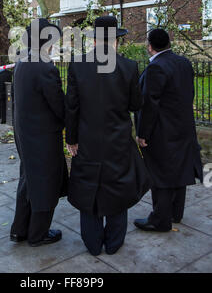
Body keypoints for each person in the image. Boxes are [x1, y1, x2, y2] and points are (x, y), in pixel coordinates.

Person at [66, 15, 151, 256]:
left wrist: (70, 138)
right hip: (118, 140)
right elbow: (136, 104)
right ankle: (114, 243)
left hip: (87, 139)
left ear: (94, 40)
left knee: (87, 186)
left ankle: (93, 244)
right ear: (116, 41)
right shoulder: (129, 67)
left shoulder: (78, 64)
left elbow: (71, 106)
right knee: (118, 185)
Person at [134, 28, 203, 232]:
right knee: (179, 170)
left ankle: (160, 220)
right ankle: (176, 213)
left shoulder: (156, 68)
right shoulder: (184, 63)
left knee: (161, 175)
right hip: (184, 128)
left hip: (162, 131)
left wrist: (142, 133)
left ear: (150, 46)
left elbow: (149, 104)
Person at [10, 18, 68, 247]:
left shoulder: (22, 60)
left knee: (28, 180)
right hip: (42, 136)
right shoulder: (45, 66)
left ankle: (20, 229)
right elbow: (58, 104)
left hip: (24, 132)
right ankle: (38, 234)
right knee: (45, 183)